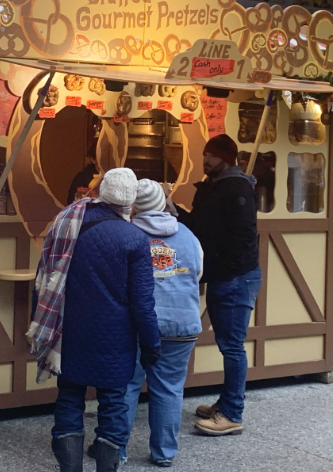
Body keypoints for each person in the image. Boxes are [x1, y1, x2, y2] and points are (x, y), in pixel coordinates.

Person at [29, 168, 161, 472]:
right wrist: (151, 343)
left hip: (69, 331)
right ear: (130, 203)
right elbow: (142, 302)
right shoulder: (135, 239)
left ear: (100, 192)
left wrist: (39, 325)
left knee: (69, 397)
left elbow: (46, 277)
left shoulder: (66, 223)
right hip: (115, 338)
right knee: (114, 403)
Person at [174, 134, 261, 436]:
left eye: (211, 155)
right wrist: (175, 213)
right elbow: (199, 227)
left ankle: (232, 413)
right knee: (229, 343)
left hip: (235, 277)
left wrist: (222, 272)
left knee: (232, 345)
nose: (205, 159)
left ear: (226, 159)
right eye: (205, 153)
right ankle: (225, 403)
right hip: (224, 275)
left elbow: (242, 237)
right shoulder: (211, 188)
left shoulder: (238, 189)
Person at [122, 179, 203, 467]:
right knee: (169, 387)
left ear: (134, 206)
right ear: (162, 203)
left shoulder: (127, 235)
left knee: (128, 385)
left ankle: (116, 448)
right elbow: (198, 273)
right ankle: (164, 453)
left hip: (137, 326)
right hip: (182, 324)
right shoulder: (188, 235)